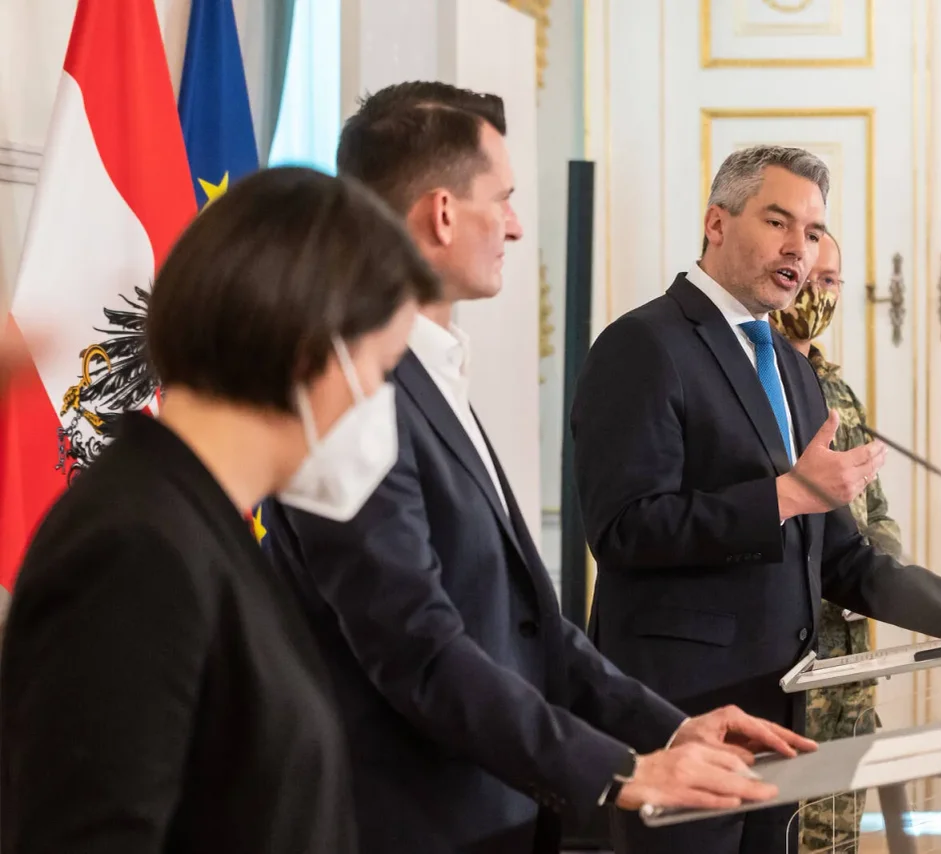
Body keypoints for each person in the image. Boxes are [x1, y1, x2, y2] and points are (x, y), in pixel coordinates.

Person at [260, 82, 813, 854]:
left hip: (492, 810)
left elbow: (528, 625)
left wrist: (672, 725)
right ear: (444, 213)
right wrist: (618, 772)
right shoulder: (352, 391)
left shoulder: (428, 372)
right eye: (505, 199)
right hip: (407, 822)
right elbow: (418, 645)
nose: (518, 227)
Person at [571, 144, 941, 854]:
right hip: (677, 710)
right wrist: (784, 496)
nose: (800, 249)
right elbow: (624, 529)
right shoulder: (643, 344)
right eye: (779, 222)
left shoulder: (793, 366)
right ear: (716, 224)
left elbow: (842, 554)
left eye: (813, 232)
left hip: (779, 705)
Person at [0, 166, 438, 853]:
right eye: (381, 372)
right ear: (310, 354)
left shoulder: (195, 521)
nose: (384, 407)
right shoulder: (136, 549)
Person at [770, 231, 896, 854]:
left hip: (853, 660)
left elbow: (878, 511)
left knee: (839, 833)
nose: (820, 292)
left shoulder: (838, 389)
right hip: (797, 653)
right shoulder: (760, 387)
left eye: (832, 281)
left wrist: (884, 566)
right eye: (811, 278)